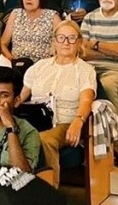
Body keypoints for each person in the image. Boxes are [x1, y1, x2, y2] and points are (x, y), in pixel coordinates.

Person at [18, 20, 96, 186]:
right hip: (36, 120)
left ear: (79, 42)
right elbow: (20, 98)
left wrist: (78, 120)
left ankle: (50, 191)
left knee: (44, 139)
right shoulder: (40, 66)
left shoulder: (85, 70)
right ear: (54, 41)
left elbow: (87, 99)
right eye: (61, 38)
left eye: (71, 38)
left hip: (64, 122)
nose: (66, 42)